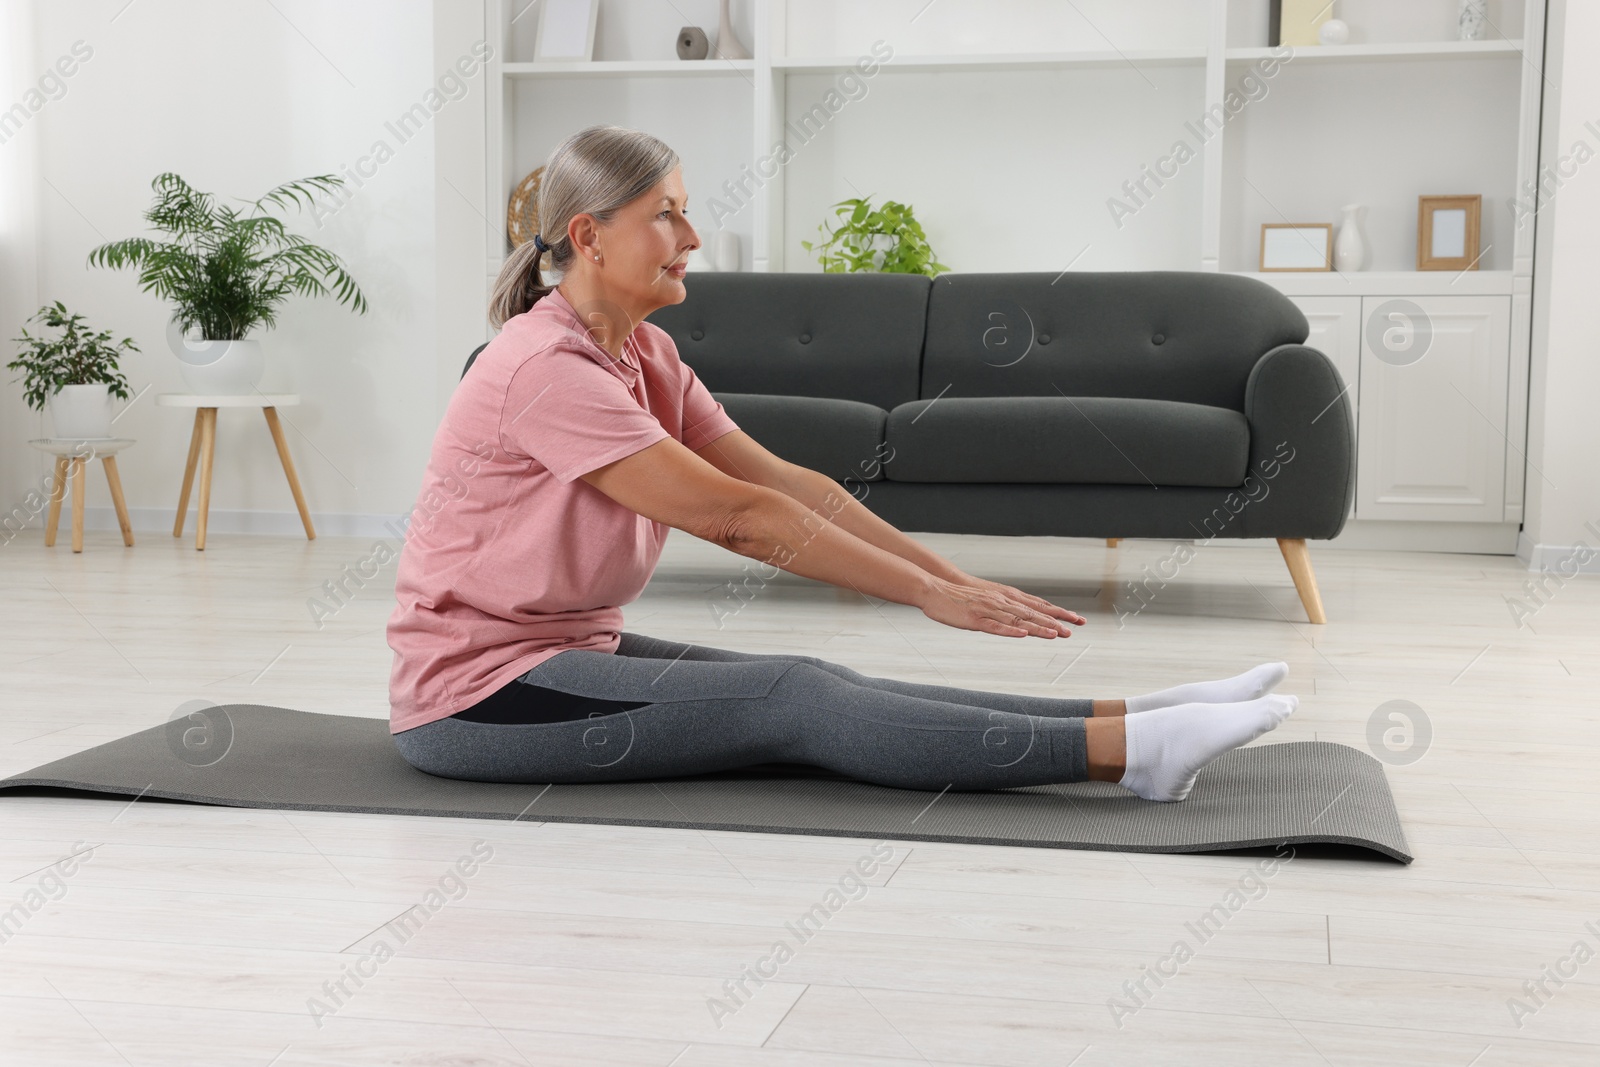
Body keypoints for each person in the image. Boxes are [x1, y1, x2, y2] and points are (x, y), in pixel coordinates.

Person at [385, 125, 1296, 803]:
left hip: (569, 650)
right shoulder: (544, 369)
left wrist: (945, 572)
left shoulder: (647, 358)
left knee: (826, 687)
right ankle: (1133, 760)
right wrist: (922, 596)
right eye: (667, 214)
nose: (692, 236)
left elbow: (787, 483)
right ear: (588, 237)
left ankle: (1133, 720)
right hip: (478, 695)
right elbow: (737, 517)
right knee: (795, 695)